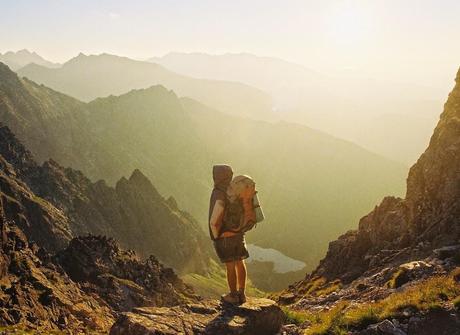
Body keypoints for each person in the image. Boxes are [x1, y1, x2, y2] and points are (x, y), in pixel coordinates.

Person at [208, 165, 256, 305]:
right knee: (240, 262)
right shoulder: (235, 190)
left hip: (225, 236)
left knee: (230, 266)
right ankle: (242, 293)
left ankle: (233, 296)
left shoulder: (219, 192)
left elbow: (214, 220)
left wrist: (216, 235)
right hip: (238, 234)